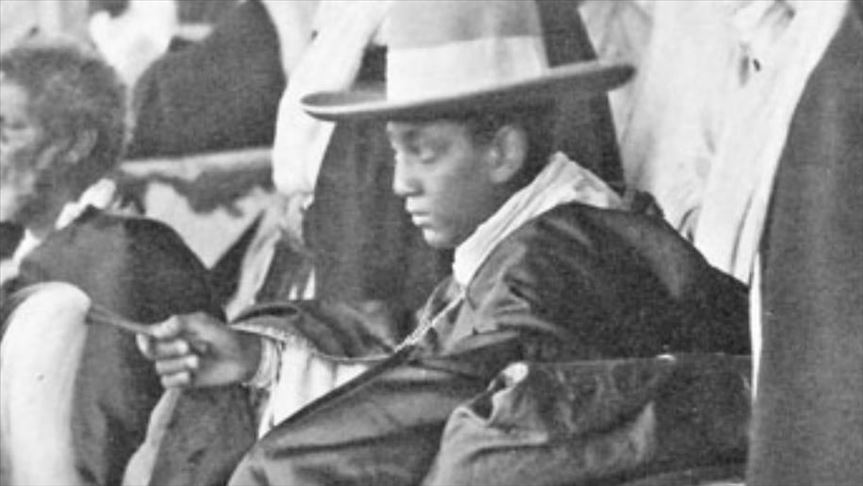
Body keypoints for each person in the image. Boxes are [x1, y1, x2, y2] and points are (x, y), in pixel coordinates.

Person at [138, 2, 749, 485]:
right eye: (396, 153)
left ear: (502, 152)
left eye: (424, 153)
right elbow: (425, 353)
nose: (401, 183)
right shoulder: (535, 236)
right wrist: (257, 358)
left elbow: (436, 394)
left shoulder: (549, 262)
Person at [0, 38, 224, 485]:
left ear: (74, 144)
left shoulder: (119, 256)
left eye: (8, 131)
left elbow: (99, 460)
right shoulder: (64, 252)